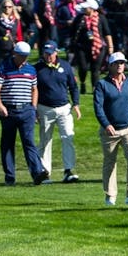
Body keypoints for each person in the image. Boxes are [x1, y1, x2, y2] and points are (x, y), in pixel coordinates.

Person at [0, 40, 48, 185]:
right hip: (8, 110)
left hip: (26, 110)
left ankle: (37, 173)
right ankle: (10, 177)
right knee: (8, 143)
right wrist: (0, 105)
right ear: (15, 53)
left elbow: (34, 89)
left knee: (29, 142)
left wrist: (33, 108)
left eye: (26, 56)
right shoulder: (4, 67)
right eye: (21, 55)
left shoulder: (30, 69)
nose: (24, 58)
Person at [93, 51, 128, 206]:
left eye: (122, 63)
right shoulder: (102, 84)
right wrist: (106, 124)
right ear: (111, 65)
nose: (121, 65)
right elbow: (98, 108)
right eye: (117, 63)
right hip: (110, 130)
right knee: (110, 162)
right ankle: (110, 196)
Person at [34, 40, 82, 182]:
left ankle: (68, 170)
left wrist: (76, 104)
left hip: (64, 108)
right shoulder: (37, 68)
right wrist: (34, 109)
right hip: (44, 108)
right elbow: (33, 90)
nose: (48, 56)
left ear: (56, 53)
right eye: (46, 53)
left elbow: (73, 86)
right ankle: (45, 172)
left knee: (68, 136)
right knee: (45, 140)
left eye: (51, 53)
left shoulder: (66, 67)